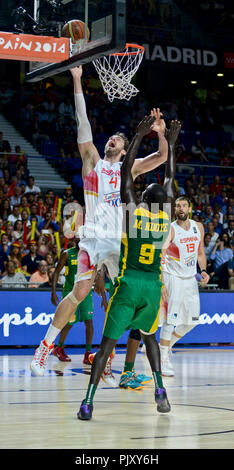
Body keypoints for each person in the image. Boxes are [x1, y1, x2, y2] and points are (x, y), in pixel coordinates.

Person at [30, 65, 168, 377]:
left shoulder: (128, 170)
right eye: (112, 138)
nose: (114, 140)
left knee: (132, 292)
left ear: (123, 149)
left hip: (121, 239)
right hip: (93, 237)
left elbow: (160, 158)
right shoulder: (92, 161)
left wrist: (160, 135)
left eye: (119, 139)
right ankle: (44, 348)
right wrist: (77, 79)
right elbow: (83, 123)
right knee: (78, 294)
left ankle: (120, 362)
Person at [78, 115, 171, 421]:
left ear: (142, 199)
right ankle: (159, 390)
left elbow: (128, 182)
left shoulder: (131, 216)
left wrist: (138, 137)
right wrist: (166, 136)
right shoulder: (165, 221)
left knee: (106, 343)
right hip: (151, 287)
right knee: (149, 337)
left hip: (128, 278)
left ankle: (88, 402)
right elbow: (168, 177)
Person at [159, 195, 209, 376]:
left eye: (184, 206)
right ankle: (163, 359)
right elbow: (161, 254)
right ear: (174, 210)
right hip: (173, 277)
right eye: (177, 206)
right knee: (170, 320)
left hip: (190, 279)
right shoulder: (170, 229)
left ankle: (164, 347)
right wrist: (162, 282)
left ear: (189, 209)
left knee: (192, 321)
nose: (180, 208)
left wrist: (203, 270)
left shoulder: (198, 227)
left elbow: (200, 252)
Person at [50, 239, 94, 366]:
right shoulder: (67, 254)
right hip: (71, 292)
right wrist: (53, 293)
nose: (80, 240)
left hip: (86, 291)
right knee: (68, 322)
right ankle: (59, 348)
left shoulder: (90, 254)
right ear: (75, 240)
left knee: (89, 321)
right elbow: (56, 271)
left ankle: (88, 353)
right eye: (78, 237)